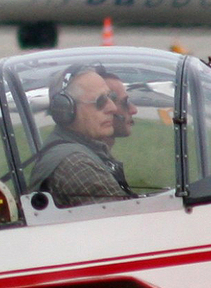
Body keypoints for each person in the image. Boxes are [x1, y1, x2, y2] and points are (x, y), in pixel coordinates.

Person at [26, 64, 136, 206]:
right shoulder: (77, 164)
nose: (112, 108)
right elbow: (125, 219)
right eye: (100, 101)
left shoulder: (83, 152)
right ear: (65, 109)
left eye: (110, 97)